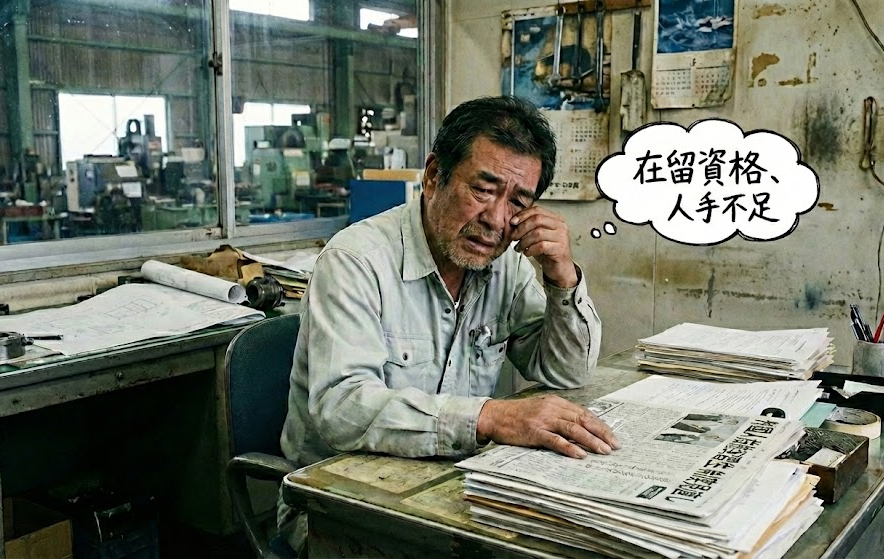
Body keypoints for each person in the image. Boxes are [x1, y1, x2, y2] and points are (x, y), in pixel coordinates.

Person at [277, 95, 619, 548]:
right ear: (434, 175)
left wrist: (562, 277)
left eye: (518, 202)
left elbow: (567, 372)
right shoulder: (355, 261)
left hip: (449, 488)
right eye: (483, 190)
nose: (496, 220)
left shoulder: (507, 267)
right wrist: (490, 417)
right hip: (337, 510)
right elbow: (342, 409)